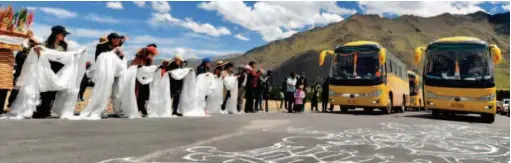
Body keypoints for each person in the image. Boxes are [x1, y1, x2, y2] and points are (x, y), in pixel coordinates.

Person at [31, 25, 70, 118]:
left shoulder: (64, 45)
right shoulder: (46, 44)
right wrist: (38, 51)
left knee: (53, 91)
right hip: (47, 68)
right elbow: (40, 55)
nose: (64, 36)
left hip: (58, 69)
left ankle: (46, 110)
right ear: (56, 34)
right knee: (45, 90)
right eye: (63, 34)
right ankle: (43, 110)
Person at [7, 39, 36, 109]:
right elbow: (18, 59)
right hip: (20, 73)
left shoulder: (33, 52)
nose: (31, 43)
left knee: (23, 89)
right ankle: (10, 104)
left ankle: (17, 105)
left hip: (28, 73)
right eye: (30, 42)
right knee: (16, 89)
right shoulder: (22, 52)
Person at [131, 47, 158, 117]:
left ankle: (141, 108)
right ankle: (139, 108)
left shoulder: (149, 60)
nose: (153, 56)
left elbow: (149, 69)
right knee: (139, 93)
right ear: (148, 53)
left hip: (145, 79)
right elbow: (133, 66)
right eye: (152, 54)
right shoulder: (139, 58)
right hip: (137, 79)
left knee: (144, 94)